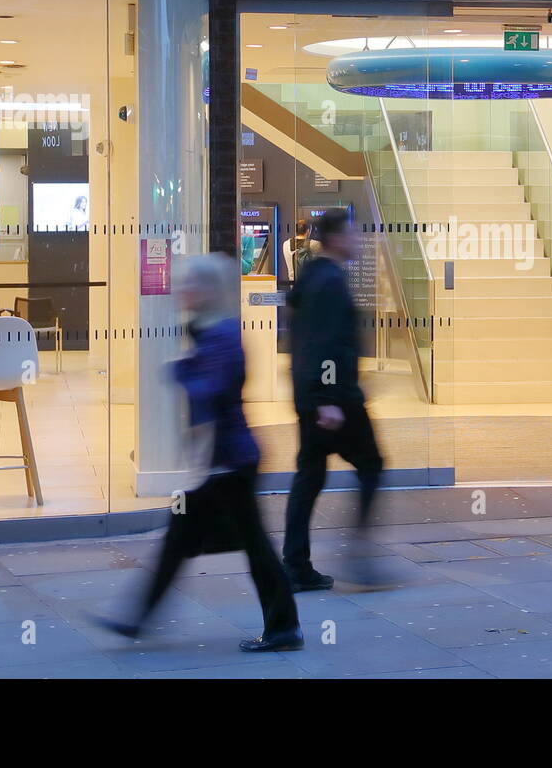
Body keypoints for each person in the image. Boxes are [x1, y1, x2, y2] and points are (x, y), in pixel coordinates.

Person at [96, 253, 303, 652]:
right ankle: (137, 619)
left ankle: (283, 627)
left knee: (243, 546)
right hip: (225, 462)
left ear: (208, 290)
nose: (184, 289)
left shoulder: (221, 336)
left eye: (192, 284)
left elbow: (210, 392)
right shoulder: (211, 331)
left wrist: (182, 370)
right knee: (193, 541)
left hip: (230, 464)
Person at [282, 208, 384, 590]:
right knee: (371, 464)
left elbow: (302, 340)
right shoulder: (329, 282)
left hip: (315, 398)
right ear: (337, 238)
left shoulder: (312, 275)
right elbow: (321, 343)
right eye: (352, 234)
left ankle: (296, 566)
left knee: (309, 476)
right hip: (334, 401)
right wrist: (327, 399)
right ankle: (357, 553)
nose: (357, 240)